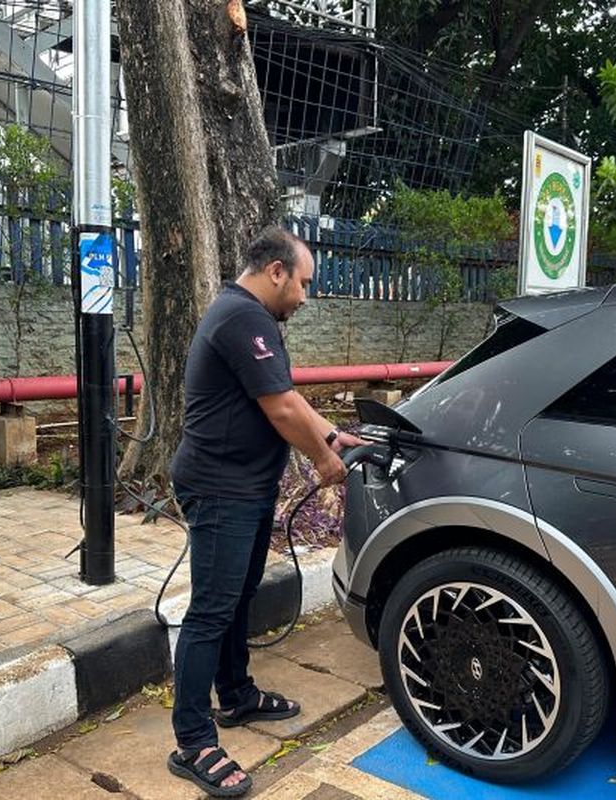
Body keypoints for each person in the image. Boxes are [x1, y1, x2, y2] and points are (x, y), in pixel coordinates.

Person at [166, 226, 365, 797]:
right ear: (276, 271)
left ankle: (236, 696)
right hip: (221, 488)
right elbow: (279, 409)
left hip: (245, 487)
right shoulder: (242, 317)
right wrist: (323, 463)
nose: (305, 296)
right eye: (302, 283)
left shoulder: (255, 320)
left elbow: (287, 393)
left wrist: (332, 433)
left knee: (236, 598)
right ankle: (193, 741)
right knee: (210, 610)